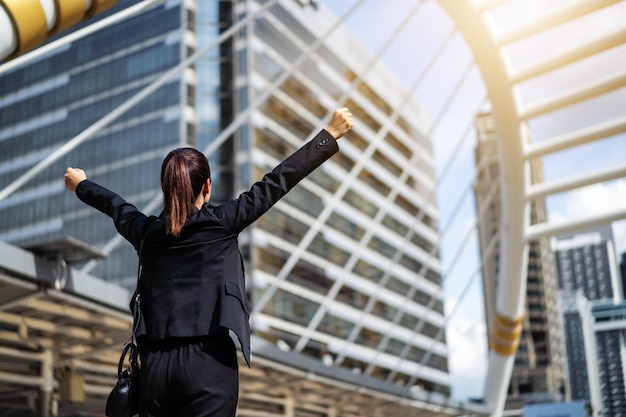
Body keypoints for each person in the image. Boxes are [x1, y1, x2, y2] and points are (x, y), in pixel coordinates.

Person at [64, 108, 354, 417]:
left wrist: (82, 184)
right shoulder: (223, 222)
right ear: (207, 187)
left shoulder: (146, 233)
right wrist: (329, 135)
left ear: (164, 189)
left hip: (156, 367)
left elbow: (116, 206)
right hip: (209, 363)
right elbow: (276, 182)